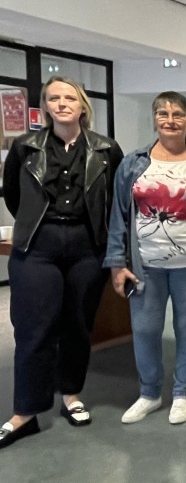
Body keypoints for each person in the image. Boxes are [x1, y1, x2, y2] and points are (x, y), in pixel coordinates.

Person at [0, 77, 124, 449]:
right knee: (34, 328)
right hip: (38, 245)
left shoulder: (106, 149)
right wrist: (38, 225)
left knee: (77, 324)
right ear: (45, 106)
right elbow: (14, 195)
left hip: (87, 246)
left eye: (70, 97)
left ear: (82, 105)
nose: (62, 103)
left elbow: (115, 201)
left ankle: (71, 395)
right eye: (54, 98)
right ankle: (25, 412)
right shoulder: (25, 146)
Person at [104, 91, 186, 425]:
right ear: (154, 119)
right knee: (145, 329)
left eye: (178, 114)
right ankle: (149, 393)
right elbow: (118, 217)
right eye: (162, 114)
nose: (170, 120)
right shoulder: (133, 163)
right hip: (144, 266)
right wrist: (117, 263)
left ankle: (183, 392)